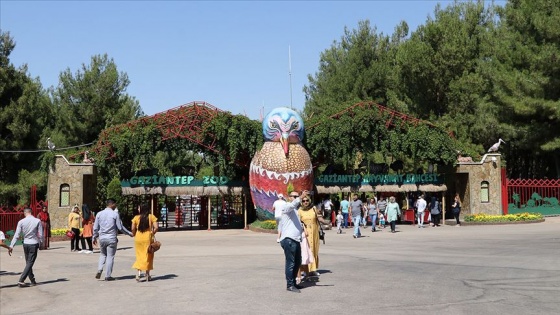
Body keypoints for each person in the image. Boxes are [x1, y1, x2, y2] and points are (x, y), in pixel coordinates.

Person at [93, 198, 133, 281]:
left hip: (102, 238)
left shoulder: (99, 214)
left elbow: (95, 228)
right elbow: (120, 227)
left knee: (103, 254)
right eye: (115, 204)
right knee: (110, 257)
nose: (116, 206)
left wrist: (94, 237)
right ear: (112, 204)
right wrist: (129, 233)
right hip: (111, 238)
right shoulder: (115, 214)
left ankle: (100, 269)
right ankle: (108, 276)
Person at [279, 190, 308, 293]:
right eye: (294, 196)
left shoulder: (296, 211)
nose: (296, 198)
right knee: (291, 263)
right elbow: (291, 206)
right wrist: (300, 197)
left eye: (297, 196)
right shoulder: (286, 207)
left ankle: (294, 283)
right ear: (289, 197)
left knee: (297, 262)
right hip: (289, 239)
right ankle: (290, 285)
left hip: (296, 239)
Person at [9, 208, 43, 287]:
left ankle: (32, 280)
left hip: (26, 243)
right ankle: (21, 279)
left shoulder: (21, 222)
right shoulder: (37, 221)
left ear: (25, 213)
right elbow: (41, 235)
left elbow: (16, 235)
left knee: (28, 262)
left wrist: (11, 245)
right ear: (31, 212)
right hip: (34, 243)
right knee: (30, 262)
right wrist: (41, 243)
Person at [298, 195, 327, 279]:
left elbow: (319, 218)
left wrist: (326, 223)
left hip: (314, 232)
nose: (305, 202)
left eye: (307, 200)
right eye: (303, 201)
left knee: (314, 250)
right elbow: (298, 222)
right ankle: (306, 270)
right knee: (306, 251)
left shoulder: (314, 208)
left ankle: (313, 270)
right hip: (305, 233)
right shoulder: (299, 211)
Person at [131, 204, 158, 282]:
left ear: (142, 209)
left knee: (139, 255)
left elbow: (133, 228)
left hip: (138, 238)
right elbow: (156, 227)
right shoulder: (151, 217)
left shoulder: (136, 218)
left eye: (139, 208)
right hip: (148, 238)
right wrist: (152, 233)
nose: (138, 209)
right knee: (148, 255)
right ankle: (147, 274)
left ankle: (139, 273)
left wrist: (134, 233)